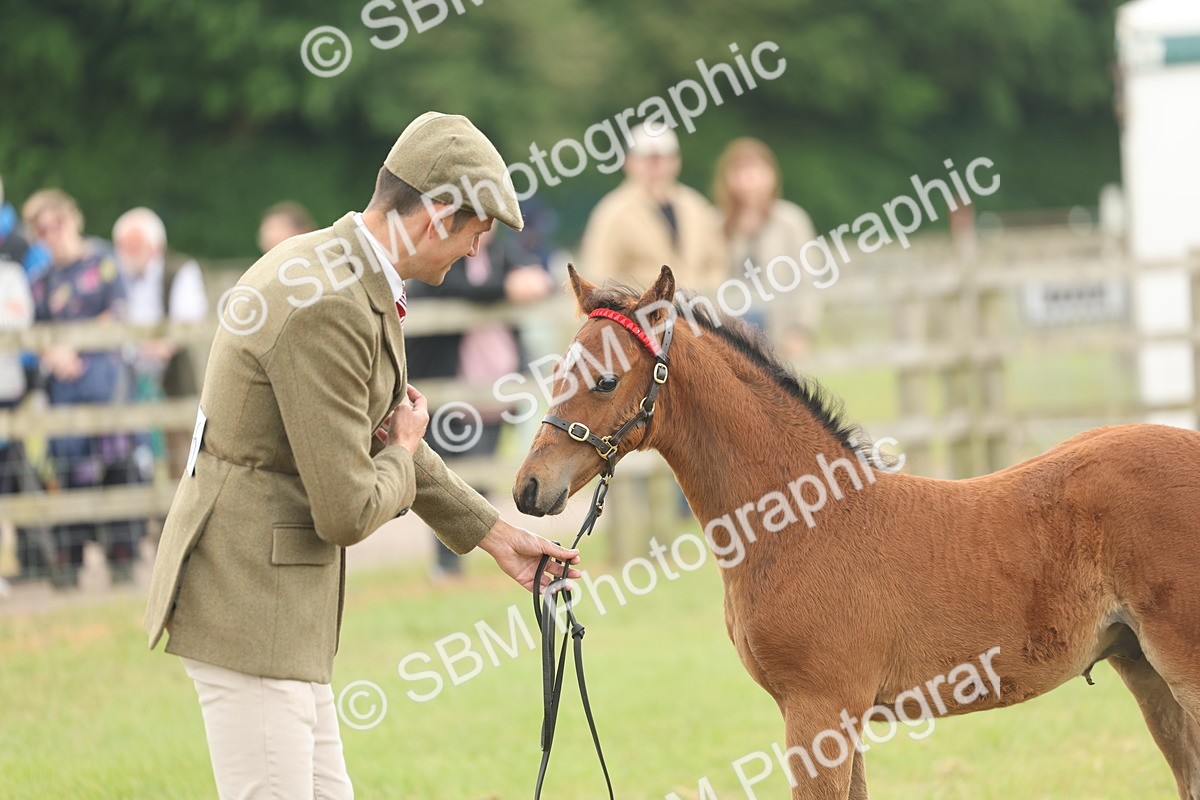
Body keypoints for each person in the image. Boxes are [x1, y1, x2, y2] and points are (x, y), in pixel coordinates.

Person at [143, 111, 581, 799]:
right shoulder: (328, 301)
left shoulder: (345, 273)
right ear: (437, 213)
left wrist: (497, 536)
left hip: (276, 603)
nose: (475, 255)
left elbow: (389, 437)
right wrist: (403, 452)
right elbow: (350, 508)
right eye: (476, 234)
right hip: (251, 602)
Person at [406, 223, 553, 579]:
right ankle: (446, 564)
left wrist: (530, 280)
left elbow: (537, 272)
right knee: (446, 474)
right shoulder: (441, 262)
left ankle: (466, 555)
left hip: (495, 392)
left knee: (481, 475)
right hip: (450, 392)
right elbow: (457, 291)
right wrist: (507, 288)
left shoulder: (501, 254)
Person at [23, 189, 145, 585]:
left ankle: (123, 560)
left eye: (56, 224)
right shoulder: (41, 280)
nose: (52, 234)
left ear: (73, 219)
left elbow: (118, 313)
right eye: (42, 230)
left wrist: (76, 343)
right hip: (66, 388)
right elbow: (36, 331)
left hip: (106, 383)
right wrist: (54, 353)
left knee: (116, 468)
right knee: (70, 472)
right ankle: (69, 565)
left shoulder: (103, 260)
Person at [113, 207, 208, 477]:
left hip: (170, 374)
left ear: (155, 245)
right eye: (123, 246)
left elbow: (186, 321)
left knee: (180, 448)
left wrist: (153, 349)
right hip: (130, 375)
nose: (127, 252)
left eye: (134, 245)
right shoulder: (119, 276)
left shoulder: (179, 269)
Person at [579, 123, 726, 291]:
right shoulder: (612, 212)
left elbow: (717, 263)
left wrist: (704, 293)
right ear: (628, 162)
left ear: (676, 161)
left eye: (663, 158)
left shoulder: (696, 207)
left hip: (696, 309)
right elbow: (600, 274)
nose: (656, 165)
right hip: (641, 313)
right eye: (647, 159)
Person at [712, 136, 817, 335]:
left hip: (780, 325)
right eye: (740, 170)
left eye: (756, 169)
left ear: (772, 175)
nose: (749, 177)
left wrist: (801, 328)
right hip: (729, 329)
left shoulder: (791, 221)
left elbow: (808, 277)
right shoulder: (715, 224)